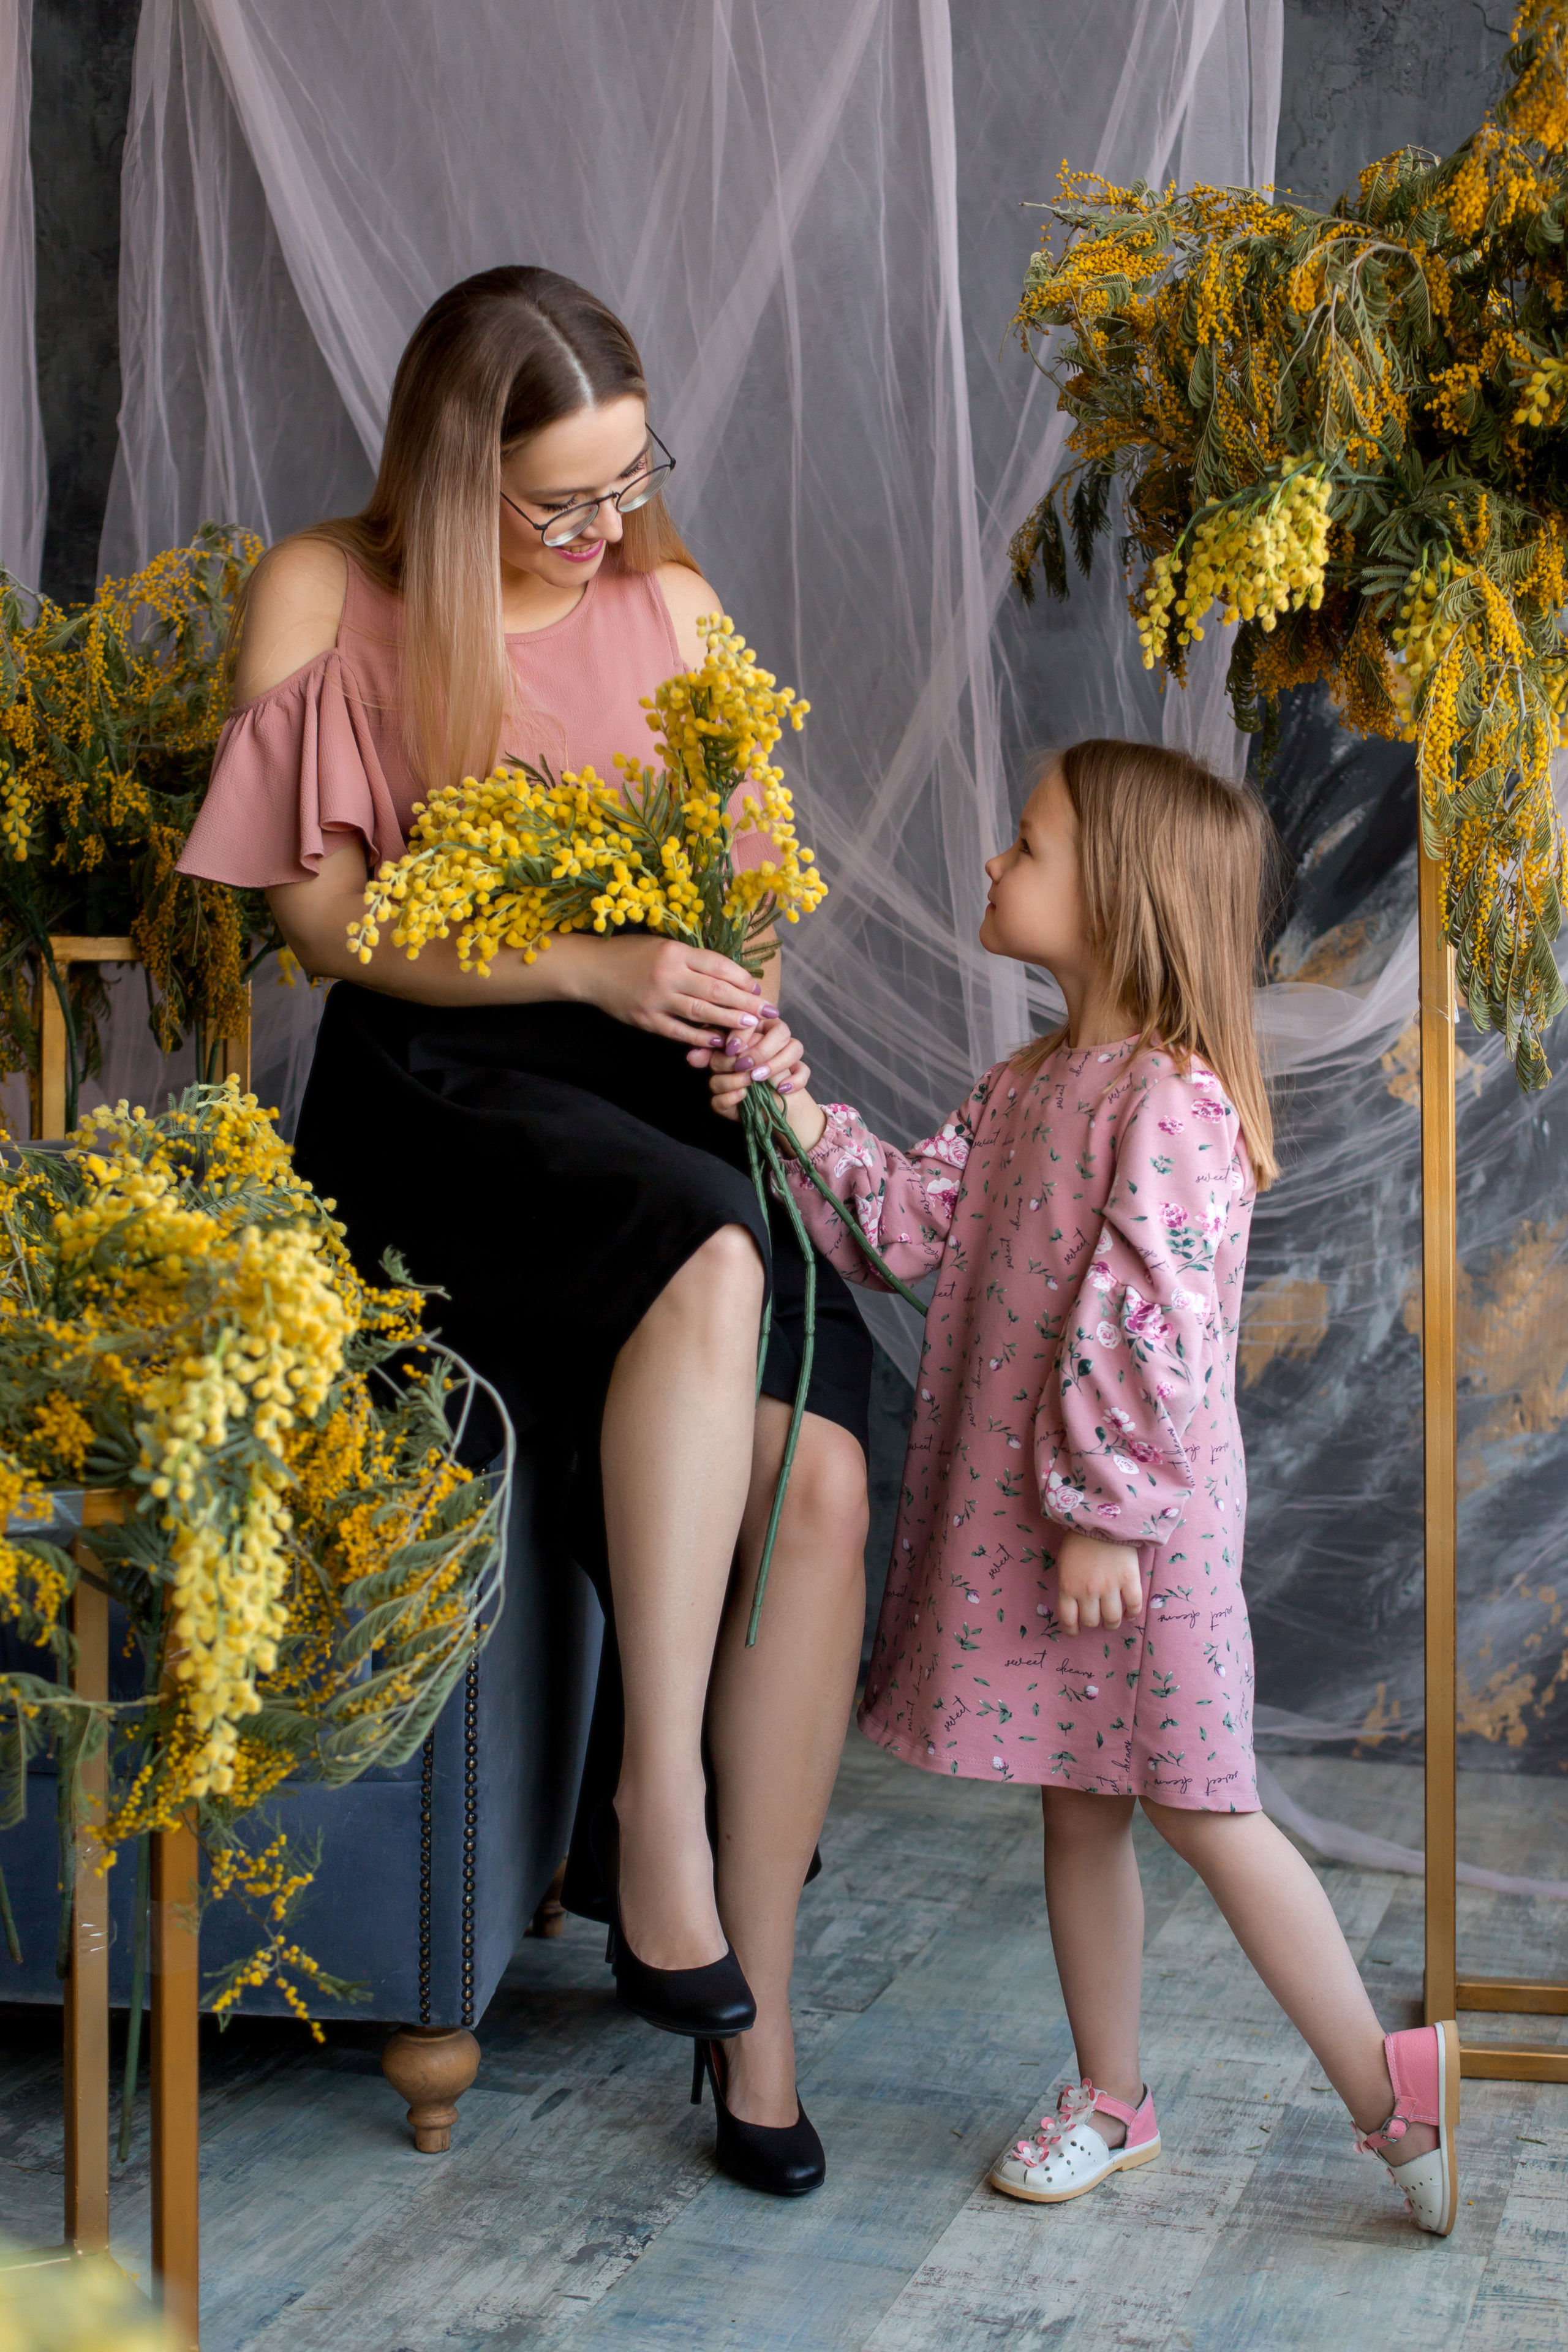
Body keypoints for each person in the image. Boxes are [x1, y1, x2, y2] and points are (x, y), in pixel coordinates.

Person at [178, 265, 872, 2198]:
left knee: (819, 1479)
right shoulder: (331, 594)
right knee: (715, 1261)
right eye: (557, 503)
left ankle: (754, 2024)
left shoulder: (678, 607)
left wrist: (735, 1007)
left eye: (628, 482)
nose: (600, 531)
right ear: (456, 472)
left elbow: (745, 911)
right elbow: (325, 934)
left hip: (657, 1102)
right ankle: (652, 1812)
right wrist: (591, 961)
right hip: (445, 1100)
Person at [707, 737, 1461, 2234]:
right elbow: (905, 1231)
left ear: (1114, 901)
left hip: (1128, 1536)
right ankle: (1113, 2095)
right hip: (1059, 1530)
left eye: (1028, 845)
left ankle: (1394, 2092)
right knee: (1079, 1813)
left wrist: (1103, 1510)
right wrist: (787, 1101)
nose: (994, 864)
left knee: (1203, 1808)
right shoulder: (1034, 1083)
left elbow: (1150, 1322)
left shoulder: (1167, 1103)